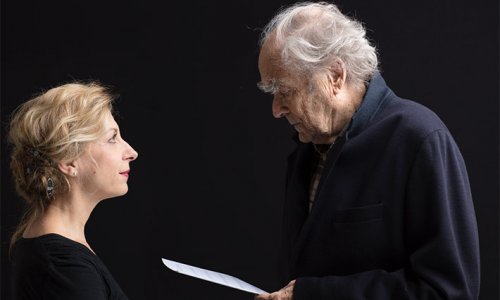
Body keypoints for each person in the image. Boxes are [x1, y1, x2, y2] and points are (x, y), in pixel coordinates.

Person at [256, 2, 480, 299]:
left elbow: (449, 292)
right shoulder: (308, 149)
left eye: (285, 91)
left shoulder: (419, 139)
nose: (276, 110)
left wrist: (312, 295)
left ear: (335, 75)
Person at [7, 81, 138, 299]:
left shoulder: (56, 252)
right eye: (112, 139)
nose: (132, 152)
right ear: (68, 161)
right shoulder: (65, 268)